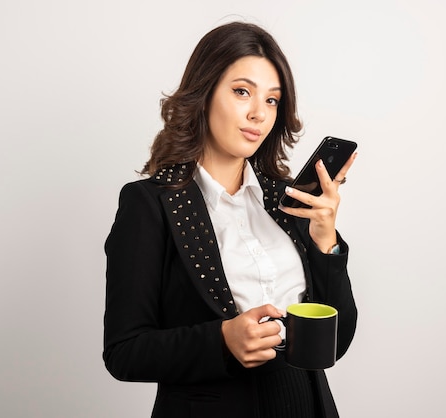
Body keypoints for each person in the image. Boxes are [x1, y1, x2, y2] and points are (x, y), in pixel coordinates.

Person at [103, 21, 357, 418]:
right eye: (242, 92)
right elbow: (124, 352)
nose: (259, 113)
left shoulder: (286, 200)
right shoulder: (150, 204)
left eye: (272, 100)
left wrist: (325, 242)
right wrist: (222, 340)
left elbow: (336, 342)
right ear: (203, 94)